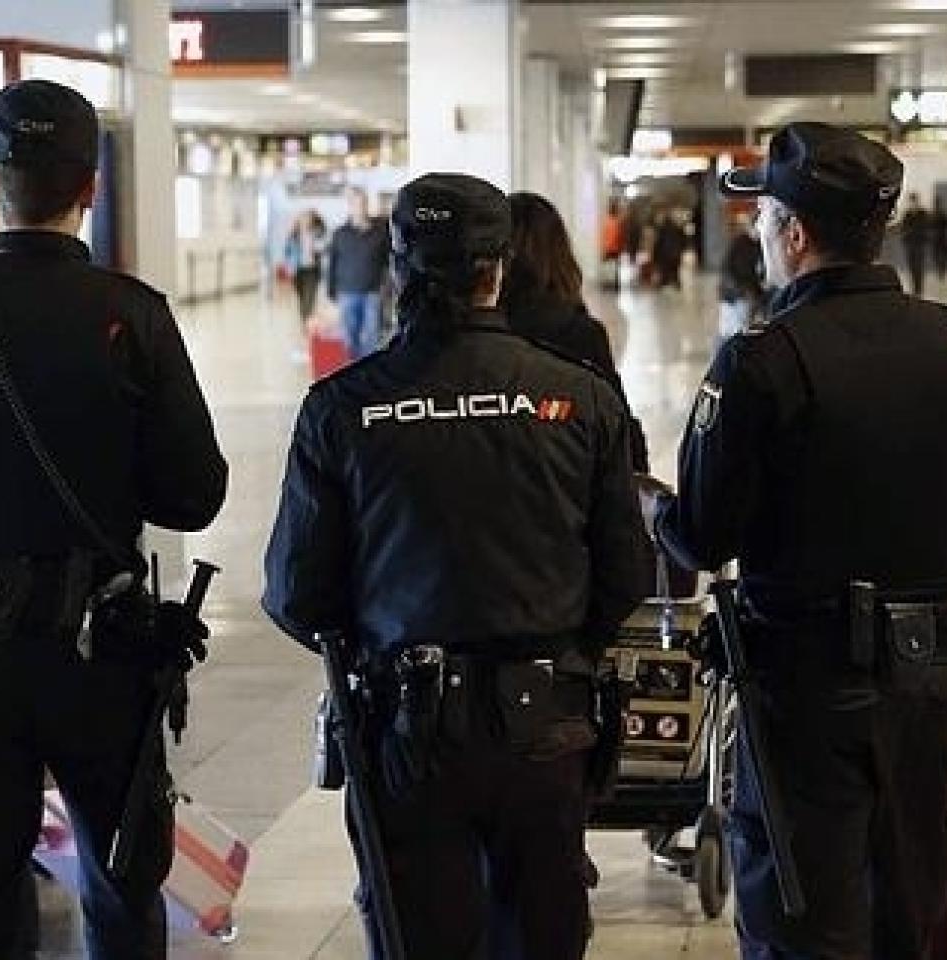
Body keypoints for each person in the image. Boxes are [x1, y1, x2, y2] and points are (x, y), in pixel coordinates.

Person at [0, 78, 228, 960]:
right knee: (121, 894)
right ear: (90, 186)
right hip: (105, 653)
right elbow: (194, 494)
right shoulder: (132, 315)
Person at [644, 121, 947, 959]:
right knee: (906, 903)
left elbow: (703, 536)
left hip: (807, 685)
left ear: (794, 233)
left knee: (803, 916)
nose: (758, 231)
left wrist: (652, 508)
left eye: (763, 217)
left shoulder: (762, 360)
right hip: (932, 678)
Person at [262, 172, 649, 960]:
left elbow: (297, 593)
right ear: (497, 269)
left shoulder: (343, 408)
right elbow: (627, 576)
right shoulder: (578, 398)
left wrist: (380, 637)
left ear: (397, 266)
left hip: (408, 732)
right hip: (546, 727)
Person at [503, 190, 650, 472]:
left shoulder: (477, 338)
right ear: (560, 253)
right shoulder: (581, 336)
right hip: (570, 488)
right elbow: (623, 439)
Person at [329, 185, 392, 360]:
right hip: (347, 292)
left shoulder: (381, 231)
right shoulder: (340, 234)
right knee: (350, 338)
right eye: (356, 204)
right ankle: (353, 369)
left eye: (363, 203)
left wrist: (388, 287)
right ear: (350, 206)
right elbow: (332, 264)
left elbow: (389, 261)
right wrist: (331, 292)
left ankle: (367, 371)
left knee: (372, 337)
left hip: (373, 292)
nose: (360, 207)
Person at [718, 212, 765, 340]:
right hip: (735, 296)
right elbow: (728, 270)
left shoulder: (759, 245)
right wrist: (744, 291)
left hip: (749, 296)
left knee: (743, 330)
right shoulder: (740, 243)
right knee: (730, 333)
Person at [284, 209, 327, 325]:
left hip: (312, 270)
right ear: (299, 221)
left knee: (309, 298)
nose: (305, 221)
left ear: (312, 221)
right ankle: (305, 319)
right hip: (297, 271)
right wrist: (288, 267)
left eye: (308, 219)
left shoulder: (318, 234)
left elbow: (324, 248)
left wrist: (318, 248)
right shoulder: (293, 236)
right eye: (303, 219)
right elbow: (287, 253)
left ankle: (307, 323)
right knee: (302, 298)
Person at [900, 193, 931, 296]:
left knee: (919, 265)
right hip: (910, 243)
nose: (913, 203)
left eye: (914, 200)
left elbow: (926, 227)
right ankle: (914, 286)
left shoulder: (923, 213)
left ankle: (919, 288)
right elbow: (903, 228)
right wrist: (906, 234)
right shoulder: (907, 214)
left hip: (919, 242)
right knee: (911, 265)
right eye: (911, 201)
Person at [653, 213, 687, 291]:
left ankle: (664, 282)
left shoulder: (662, 229)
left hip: (665, 254)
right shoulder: (677, 228)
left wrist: (655, 255)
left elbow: (658, 243)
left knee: (665, 270)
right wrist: (681, 250)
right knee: (675, 270)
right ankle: (675, 283)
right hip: (675, 253)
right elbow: (683, 240)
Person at [930, 198, 947, 281]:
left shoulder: (934, 215)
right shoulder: (939, 214)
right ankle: (941, 270)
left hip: (940, 238)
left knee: (939, 256)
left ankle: (941, 270)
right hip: (940, 238)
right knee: (939, 256)